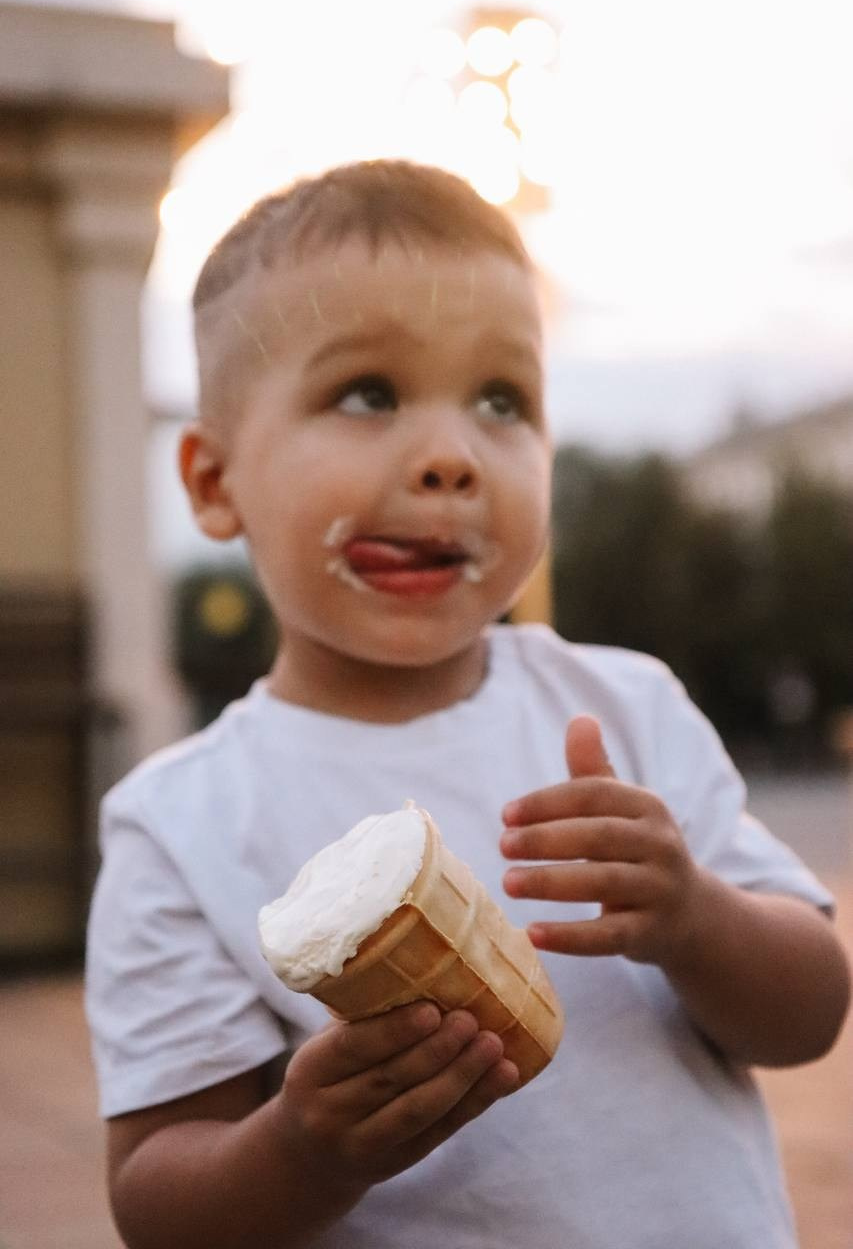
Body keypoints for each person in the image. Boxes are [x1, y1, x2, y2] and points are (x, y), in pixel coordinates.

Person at [85, 159, 850, 1249]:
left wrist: (694, 915)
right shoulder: (180, 824)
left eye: (502, 401)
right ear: (214, 482)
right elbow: (157, 1200)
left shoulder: (622, 706)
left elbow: (808, 1012)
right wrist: (301, 1149)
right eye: (368, 393)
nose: (451, 456)